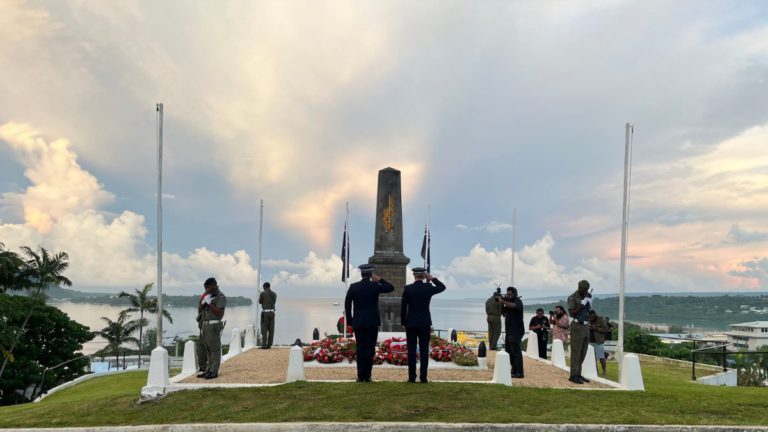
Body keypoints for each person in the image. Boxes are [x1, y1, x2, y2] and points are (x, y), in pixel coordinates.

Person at [344, 264, 395, 382]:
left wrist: (350, 321)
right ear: (370, 274)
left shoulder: (354, 287)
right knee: (370, 349)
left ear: (361, 274)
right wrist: (380, 279)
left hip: (358, 322)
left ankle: (360, 375)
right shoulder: (375, 286)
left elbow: (347, 304)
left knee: (360, 348)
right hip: (372, 322)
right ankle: (367, 376)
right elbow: (390, 287)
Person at [401, 267, 447, 383]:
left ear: (414, 276)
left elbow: (403, 308)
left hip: (411, 323)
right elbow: (442, 287)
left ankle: (411, 377)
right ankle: (423, 378)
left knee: (411, 351)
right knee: (424, 351)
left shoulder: (408, 289)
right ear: (423, 276)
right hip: (424, 323)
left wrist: (403, 322)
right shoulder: (428, 287)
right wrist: (432, 278)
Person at [197, 277, 227, 379]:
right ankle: (208, 369)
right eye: (206, 288)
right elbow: (200, 309)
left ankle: (214, 371)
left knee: (215, 349)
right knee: (208, 349)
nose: (207, 290)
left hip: (214, 325)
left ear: (214, 285)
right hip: (205, 325)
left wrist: (210, 304)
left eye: (208, 288)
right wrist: (203, 302)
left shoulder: (220, 297)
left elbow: (219, 312)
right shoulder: (208, 295)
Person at [567, 280, 592, 384]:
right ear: (579, 288)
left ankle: (578, 373)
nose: (586, 291)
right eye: (584, 290)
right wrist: (580, 306)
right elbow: (572, 313)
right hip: (577, 325)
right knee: (576, 352)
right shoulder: (572, 297)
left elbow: (589, 310)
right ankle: (573, 375)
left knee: (583, 352)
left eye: (587, 290)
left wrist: (588, 301)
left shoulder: (587, 296)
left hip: (586, 326)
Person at [497, 286, 525, 378]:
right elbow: (502, 312)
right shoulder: (508, 303)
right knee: (508, 350)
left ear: (514, 294)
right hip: (509, 331)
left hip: (516, 330)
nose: (508, 296)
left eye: (509, 294)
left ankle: (519, 372)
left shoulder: (518, 301)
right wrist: (501, 302)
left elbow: (514, 306)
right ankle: (514, 369)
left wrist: (503, 301)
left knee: (516, 351)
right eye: (507, 294)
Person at [588, 310, 609, 376]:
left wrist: (596, 328)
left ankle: (604, 371)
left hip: (599, 342)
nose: (590, 318)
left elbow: (606, 330)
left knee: (601, 357)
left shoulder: (600, 320)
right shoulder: (587, 319)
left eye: (591, 316)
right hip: (590, 341)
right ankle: (595, 371)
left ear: (594, 315)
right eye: (589, 316)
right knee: (592, 358)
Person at [258, 282, 277, 349]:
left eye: (263, 287)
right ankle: (269, 345)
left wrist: (260, 295)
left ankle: (264, 345)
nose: (263, 288)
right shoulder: (274, 294)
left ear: (265, 287)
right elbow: (273, 302)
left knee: (264, 329)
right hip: (272, 313)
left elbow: (260, 302)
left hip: (265, 313)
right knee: (271, 329)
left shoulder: (262, 293)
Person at [195, 290, 208, 372]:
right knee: (203, 346)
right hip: (204, 323)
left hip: (205, 323)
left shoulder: (206, 295)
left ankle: (204, 365)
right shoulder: (206, 295)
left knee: (204, 345)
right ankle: (203, 365)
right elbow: (200, 307)